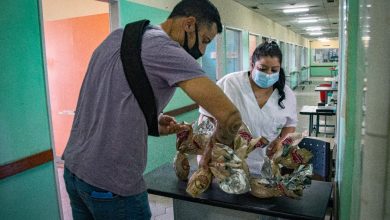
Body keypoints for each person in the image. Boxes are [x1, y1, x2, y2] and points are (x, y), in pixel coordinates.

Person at [62, 1, 242, 219]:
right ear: (188, 24)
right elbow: (230, 117)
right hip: (112, 184)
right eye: (204, 40)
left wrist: (150, 122)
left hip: (74, 172)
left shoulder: (117, 37)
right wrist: (213, 150)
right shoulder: (168, 50)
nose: (202, 51)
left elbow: (107, 102)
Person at [198, 41, 297, 174]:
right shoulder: (230, 84)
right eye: (262, 69)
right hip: (223, 162)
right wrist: (207, 151)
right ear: (252, 65)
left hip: (263, 165)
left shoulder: (287, 94)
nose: (268, 74)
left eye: (274, 70)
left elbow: (290, 125)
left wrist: (281, 142)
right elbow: (206, 117)